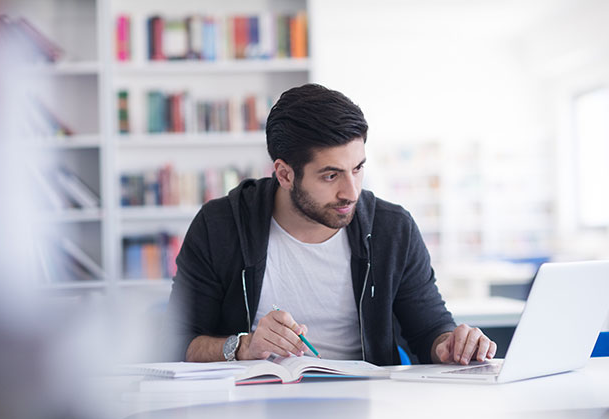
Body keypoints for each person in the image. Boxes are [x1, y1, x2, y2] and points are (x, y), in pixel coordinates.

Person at [165, 83, 497, 366]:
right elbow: (178, 341)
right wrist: (243, 347)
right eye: (331, 175)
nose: (351, 192)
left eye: (357, 169)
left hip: (366, 406)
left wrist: (452, 345)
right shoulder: (220, 226)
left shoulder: (392, 229)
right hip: (251, 404)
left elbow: (430, 330)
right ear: (284, 174)